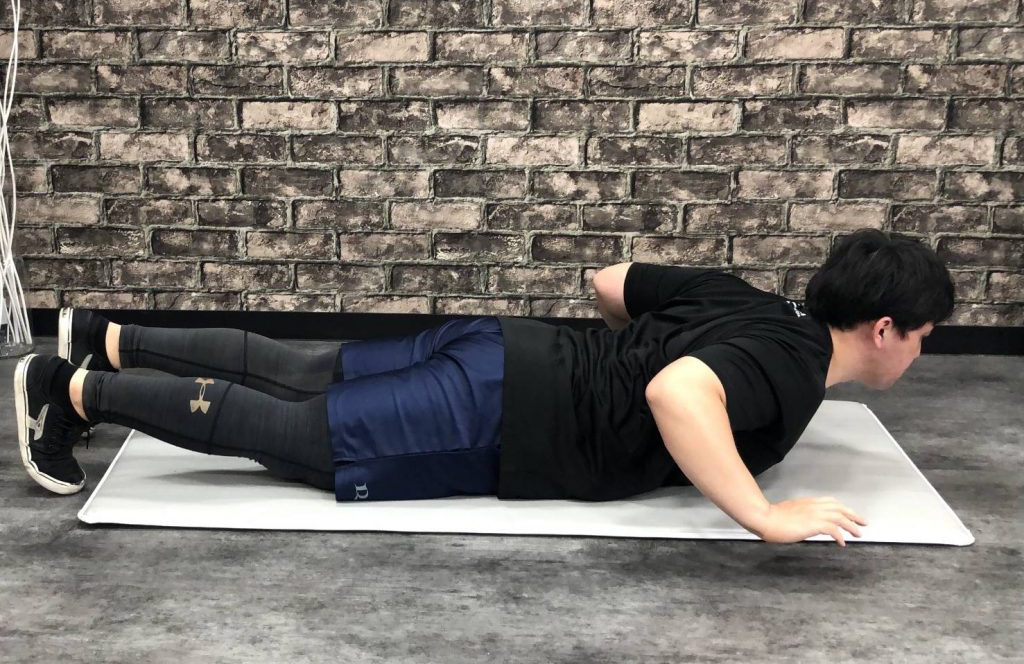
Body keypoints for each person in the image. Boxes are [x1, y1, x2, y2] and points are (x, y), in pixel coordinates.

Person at [15, 228, 954, 546]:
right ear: (884, 329)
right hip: (501, 412)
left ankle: (102, 335)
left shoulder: (754, 302)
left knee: (302, 367)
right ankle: (69, 390)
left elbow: (611, 283)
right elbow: (679, 396)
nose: (919, 354)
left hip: (502, 348)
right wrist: (764, 515)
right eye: (923, 337)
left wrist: (617, 364)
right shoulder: (792, 368)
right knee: (298, 436)